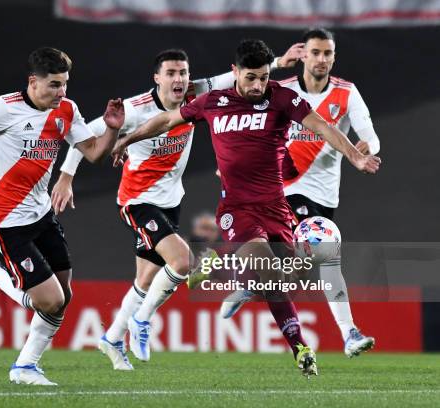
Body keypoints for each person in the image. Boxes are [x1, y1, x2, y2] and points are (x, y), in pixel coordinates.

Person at [112, 39, 381, 377]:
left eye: (264, 78)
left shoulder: (284, 98)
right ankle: (299, 346)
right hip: (238, 209)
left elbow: (322, 127)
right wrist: (127, 139)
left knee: (286, 280)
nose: (258, 86)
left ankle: (226, 266)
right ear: (235, 72)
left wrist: (355, 155)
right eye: (251, 77)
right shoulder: (213, 101)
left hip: (277, 208)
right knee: (263, 263)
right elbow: (166, 121)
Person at [51, 46, 304, 370]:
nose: (179, 79)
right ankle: (141, 321)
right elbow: (86, 133)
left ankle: (112, 338)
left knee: (145, 280)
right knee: (182, 261)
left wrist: (280, 62)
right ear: (156, 78)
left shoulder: (195, 95)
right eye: (170, 73)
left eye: (183, 73)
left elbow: (233, 76)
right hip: (138, 201)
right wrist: (67, 176)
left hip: (171, 202)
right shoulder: (134, 108)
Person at [0, 47, 124, 385]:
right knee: (49, 300)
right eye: (53, 84)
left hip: (42, 215)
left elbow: (94, 153)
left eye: (64, 84)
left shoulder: (66, 109)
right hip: (5, 222)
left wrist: (111, 129)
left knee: (63, 297)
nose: (61, 92)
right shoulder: (2, 109)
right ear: (33, 82)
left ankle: (24, 367)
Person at [221, 29, 379, 358]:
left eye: (327, 53)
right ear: (302, 55)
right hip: (282, 191)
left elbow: (370, 135)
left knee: (308, 264)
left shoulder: (346, 93)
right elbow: (235, 104)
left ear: (334, 57)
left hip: (324, 196)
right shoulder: (282, 90)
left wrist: (366, 148)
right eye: (315, 52)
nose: (321, 59)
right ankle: (349, 333)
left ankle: (251, 280)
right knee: (327, 255)